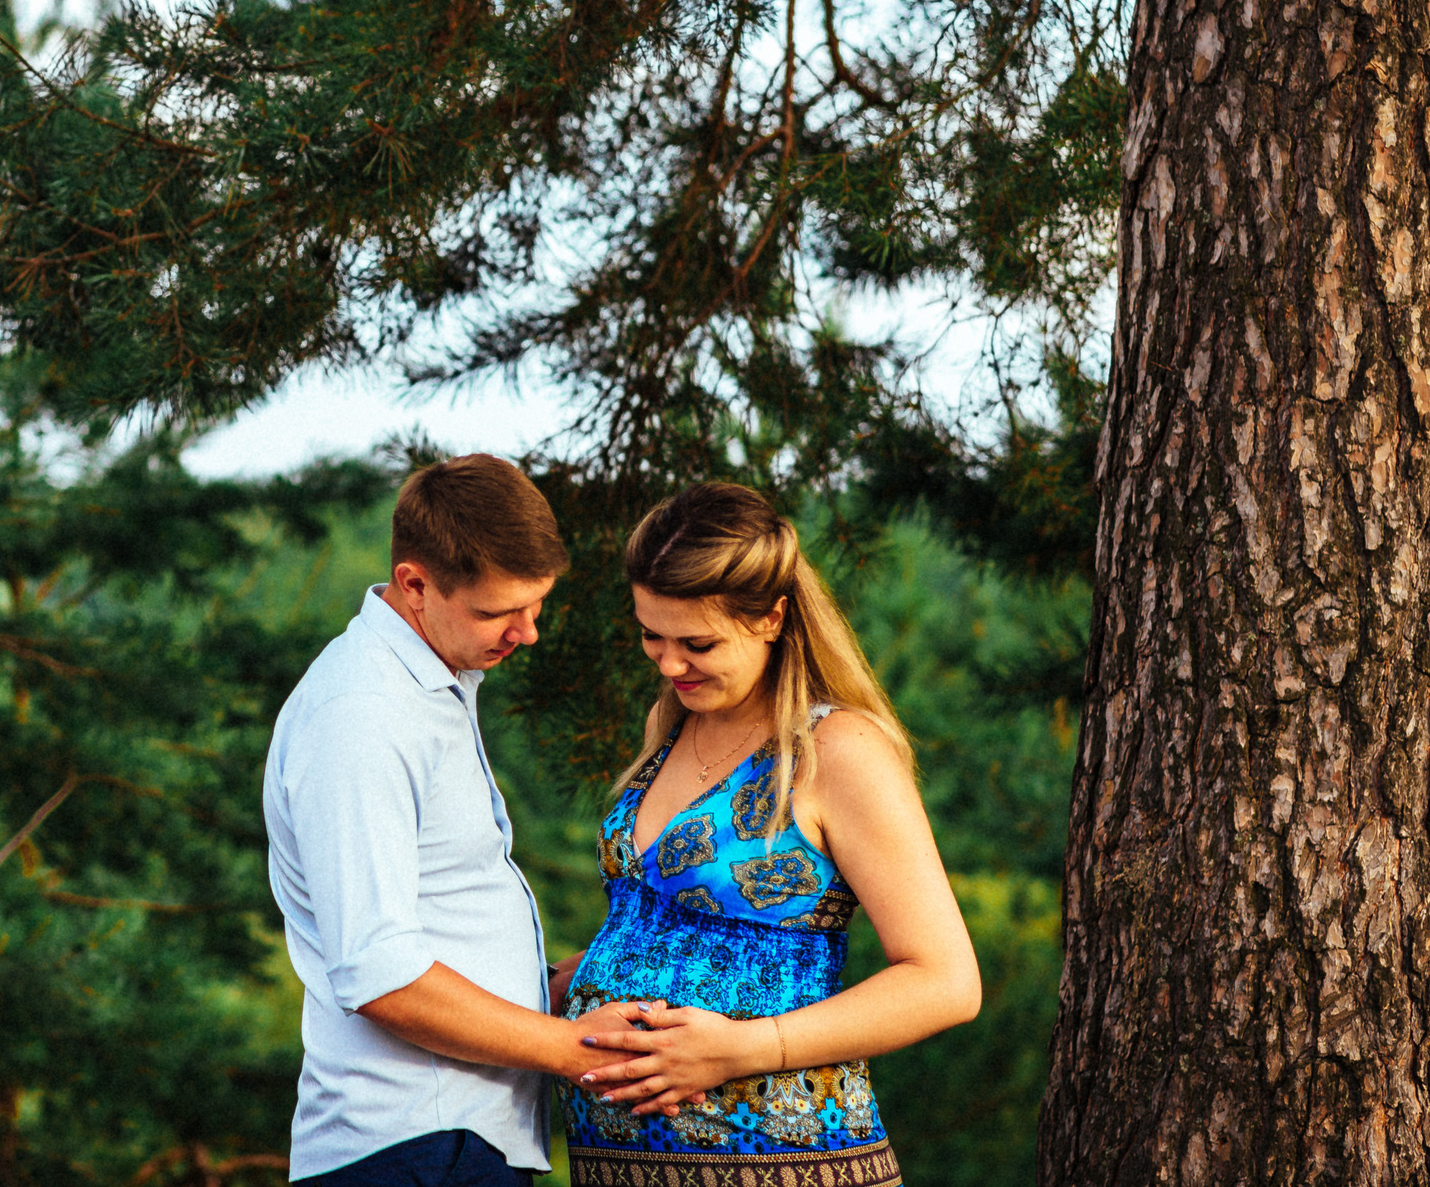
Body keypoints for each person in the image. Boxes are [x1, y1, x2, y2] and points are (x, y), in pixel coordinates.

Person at [551, 482, 979, 1187]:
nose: (666, 663)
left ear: (773, 616)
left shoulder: (838, 749)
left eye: (697, 642)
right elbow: (683, 924)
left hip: (787, 1162)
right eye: (650, 634)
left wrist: (744, 1047)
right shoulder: (678, 723)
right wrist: (597, 967)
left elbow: (946, 981)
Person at [263, 454, 639, 1187]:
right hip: (413, 1149)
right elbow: (381, 972)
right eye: (498, 612)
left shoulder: (429, 683)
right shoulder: (363, 715)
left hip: (455, 1141)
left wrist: (558, 984)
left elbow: (435, 917)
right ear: (414, 584)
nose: (527, 633)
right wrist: (570, 1047)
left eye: (537, 605)